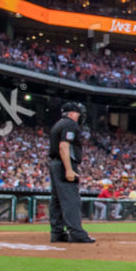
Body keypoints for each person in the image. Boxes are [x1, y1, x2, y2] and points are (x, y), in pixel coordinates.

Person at [47, 101, 94, 243]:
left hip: (55, 163)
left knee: (56, 201)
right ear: (73, 113)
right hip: (64, 163)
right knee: (71, 200)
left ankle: (57, 233)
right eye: (79, 113)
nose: (81, 117)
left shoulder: (59, 124)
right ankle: (76, 233)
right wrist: (68, 169)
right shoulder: (70, 124)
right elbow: (64, 146)